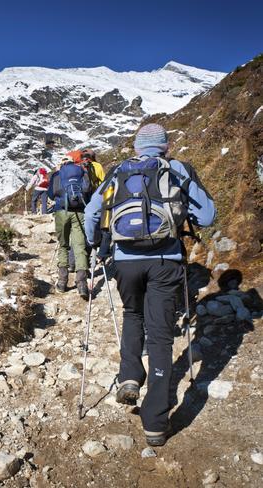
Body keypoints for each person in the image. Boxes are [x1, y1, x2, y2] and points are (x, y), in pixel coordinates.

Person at [84, 123, 215, 447]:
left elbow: (91, 213)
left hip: (125, 261)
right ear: (165, 147)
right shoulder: (177, 169)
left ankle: (129, 375)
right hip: (165, 259)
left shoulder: (118, 172)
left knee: (133, 314)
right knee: (159, 336)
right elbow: (208, 215)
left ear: (137, 147)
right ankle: (155, 423)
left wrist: (94, 246)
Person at [47, 155, 91, 298]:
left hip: (62, 211)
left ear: (62, 164)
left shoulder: (58, 175)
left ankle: (62, 281)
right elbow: (88, 190)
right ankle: (82, 284)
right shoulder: (81, 172)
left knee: (64, 245)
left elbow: (51, 194)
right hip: (80, 211)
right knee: (79, 247)